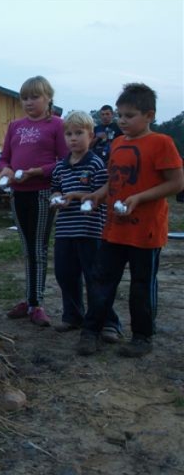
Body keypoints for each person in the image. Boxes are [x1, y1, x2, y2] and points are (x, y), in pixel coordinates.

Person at [76, 83, 184, 357]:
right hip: (114, 230)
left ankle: (142, 337)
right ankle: (91, 332)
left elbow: (176, 183)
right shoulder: (117, 143)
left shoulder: (162, 143)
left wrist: (139, 198)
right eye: (120, 115)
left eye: (129, 115)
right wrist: (97, 195)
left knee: (141, 285)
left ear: (149, 116)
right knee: (101, 281)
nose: (122, 121)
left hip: (146, 232)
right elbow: (114, 183)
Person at [0, 75, 69, 326]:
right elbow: (4, 158)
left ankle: (36, 303)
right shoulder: (15, 126)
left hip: (42, 192)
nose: (29, 102)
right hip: (18, 192)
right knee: (27, 247)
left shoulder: (58, 125)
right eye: (25, 97)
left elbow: (65, 161)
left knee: (38, 247)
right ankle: (29, 299)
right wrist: (5, 170)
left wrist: (37, 172)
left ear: (48, 98)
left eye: (35, 97)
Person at [50, 111, 121, 339]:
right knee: (65, 274)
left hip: (90, 231)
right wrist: (56, 199)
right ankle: (72, 315)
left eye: (79, 133)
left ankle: (108, 321)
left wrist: (76, 196)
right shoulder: (60, 166)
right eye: (69, 134)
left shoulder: (96, 164)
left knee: (95, 277)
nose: (73, 138)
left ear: (91, 136)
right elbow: (56, 189)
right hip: (65, 230)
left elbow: (101, 194)